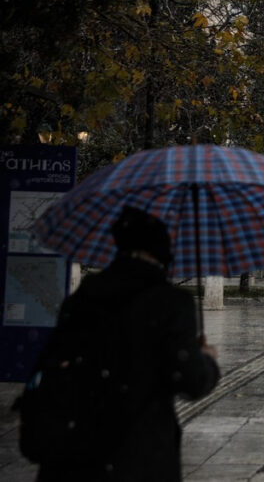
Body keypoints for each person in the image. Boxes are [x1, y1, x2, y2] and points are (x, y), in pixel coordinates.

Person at [31, 206, 220, 481]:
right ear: (159, 248)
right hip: (137, 454)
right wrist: (206, 359)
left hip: (74, 450)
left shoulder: (84, 296)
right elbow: (191, 380)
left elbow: (53, 362)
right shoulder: (170, 303)